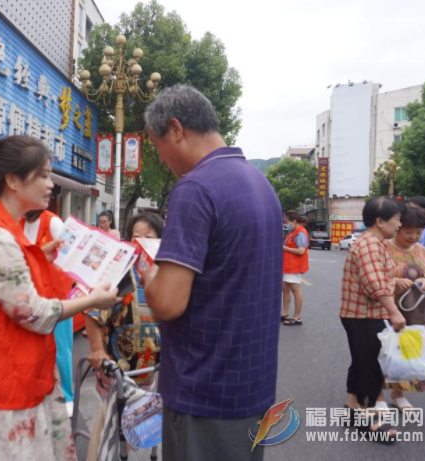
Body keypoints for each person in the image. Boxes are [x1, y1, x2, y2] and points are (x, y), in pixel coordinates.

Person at [0, 126, 120, 460]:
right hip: (3, 379)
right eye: (44, 175)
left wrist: (41, 255)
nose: (51, 184)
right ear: (13, 181)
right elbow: (34, 313)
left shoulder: (0, 226)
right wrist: (93, 300)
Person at [141, 84, 283, 461]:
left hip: (203, 393)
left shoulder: (195, 189)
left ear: (175, 129)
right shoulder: (261, 184)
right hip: (253, 390)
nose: (163, 160)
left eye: (158, 148)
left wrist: (147, 274)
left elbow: (168, 303)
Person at [340, 196, 405, 444]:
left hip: (362, 315)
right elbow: (374, 284)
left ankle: (351, 408)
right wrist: (395, 312)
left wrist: (396, 282)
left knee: (361, 362)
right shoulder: (370, 245)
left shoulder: (375, 243)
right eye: (397, 220)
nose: (399, 225)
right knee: (369, 367)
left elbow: (378, 277)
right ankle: (370, 420)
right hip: (364, 315)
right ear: (380, 221)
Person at [86, 212, 164, 397]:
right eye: (136, 237)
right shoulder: (119, 272)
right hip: (117, 375)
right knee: (114, 422)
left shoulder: (167, 273)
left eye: (149, 237)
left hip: (149, 374)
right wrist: (97, 350)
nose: (142, 242)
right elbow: (93, 312)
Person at [384, 205, 425, 411]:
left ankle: (398, 394)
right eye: (408, 232)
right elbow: (374, 279)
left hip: (414, 311)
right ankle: (375, 396)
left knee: (408, 355)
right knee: (383, 353)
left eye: (418, 233)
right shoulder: (383, 248)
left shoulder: (423, 251)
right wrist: (396, 281)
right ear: (397, 227)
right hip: (384, 309)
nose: (413, 237)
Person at [20, 208, 76, 417]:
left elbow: (72, 254)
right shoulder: (18, 222)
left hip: (56, 295)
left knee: (60, 349)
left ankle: (68, 396)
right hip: (31, 296)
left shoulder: (52, 222)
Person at [282, 210, 309, 326]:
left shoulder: (300, 233)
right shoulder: (292, 232)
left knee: (295, 290)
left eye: (287, 222)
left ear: (294, 221)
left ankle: (297, 317)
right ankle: (284, 313)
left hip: (294, 267)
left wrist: (285, 248)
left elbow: (301, 251)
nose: (286, 224)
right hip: (287, 266)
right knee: (285, 289)